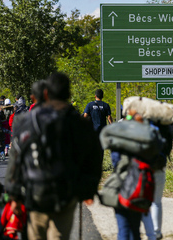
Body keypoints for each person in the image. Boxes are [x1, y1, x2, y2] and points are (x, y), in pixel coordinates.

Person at [5, 73, 103, 240]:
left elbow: (16, 158)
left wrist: (13, 195)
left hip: (35, 195)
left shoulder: (27, 121)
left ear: (45, 93)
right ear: (68, 95)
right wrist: (87, 189)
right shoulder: (79, 123)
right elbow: (93, 158)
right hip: (65, 195)